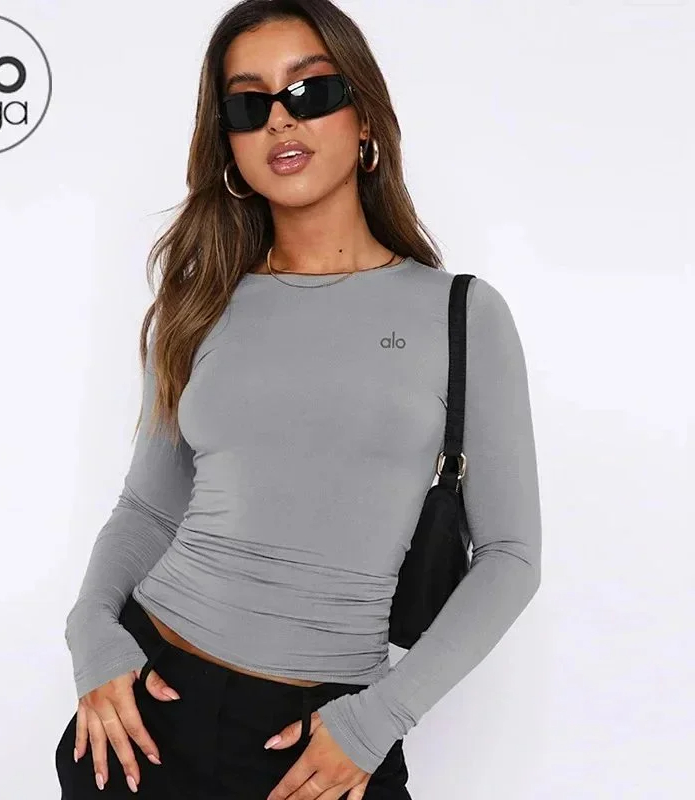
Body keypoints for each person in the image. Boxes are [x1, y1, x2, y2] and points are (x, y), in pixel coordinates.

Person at [55, 0, 543, 797]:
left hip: (327, 737)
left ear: (365, 119)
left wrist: (380, 719)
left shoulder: (461, 314)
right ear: (229, 145)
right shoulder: (197, 302)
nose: (281, 118)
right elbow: (148, 508)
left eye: (310, 91)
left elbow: (510, 556)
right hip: (148, 713)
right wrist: (90, 631)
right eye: (250, 104)